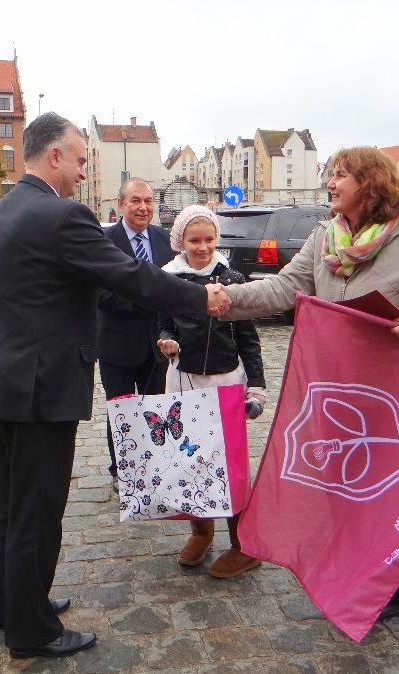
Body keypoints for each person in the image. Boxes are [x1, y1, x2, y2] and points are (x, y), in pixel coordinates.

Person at [0, 112, 229, 660]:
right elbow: (128, 275)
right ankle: (32, 631)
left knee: (8, 505)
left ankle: (11, 604)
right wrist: (197, 296)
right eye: (81, 158)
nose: (84, 170)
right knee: (38, 509)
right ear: (55, 155)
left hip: (2, 379)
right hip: (44, 387)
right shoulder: (61, 216)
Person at [213, 146, 399, 620]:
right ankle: (352, 572)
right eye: (331, 174)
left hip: (384, 394)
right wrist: (224, 298)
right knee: (335, 487)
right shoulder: (323, 237)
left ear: (369, 184)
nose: (331, 183)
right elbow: (282, 289)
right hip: (329, 390)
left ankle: (389, 589)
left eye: (341, 175)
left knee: (376, 493)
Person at [156, 204, 268, 578]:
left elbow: (248, 340)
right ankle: (201, 532)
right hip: (183, 382)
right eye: (194, 240)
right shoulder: (169, 279)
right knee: (191, 462)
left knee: (230, 465)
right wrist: (167, 341)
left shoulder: (233, 277)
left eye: (209, 239)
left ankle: (243, 544)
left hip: (225, 382)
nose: (202, 247)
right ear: (180, 241)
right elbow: (164, 325)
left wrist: (257, 387)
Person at [98, 178, 175, 493]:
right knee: (120, 407)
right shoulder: (103, 240)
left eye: (148, 201)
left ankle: (154, 463)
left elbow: (174, 283)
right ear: (121, 205)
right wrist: (141, 299)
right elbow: (97, 289)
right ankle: (121, 469)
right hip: (116, 340)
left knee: (155, 407)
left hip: (157, 343)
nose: (143, 207)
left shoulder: (165, 239)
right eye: (135, 201)